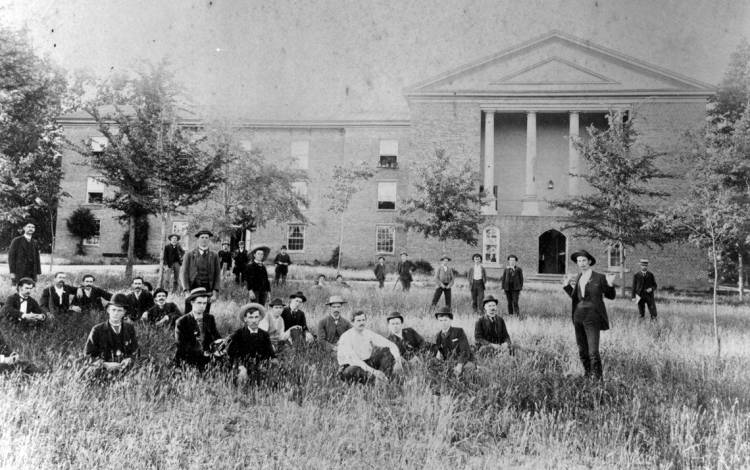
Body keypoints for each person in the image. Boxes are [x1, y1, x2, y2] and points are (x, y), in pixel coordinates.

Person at [563, 249, 616, 381]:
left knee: (593, 351)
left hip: (592, 318)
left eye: (584, 260)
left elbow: (611, 296)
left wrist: (610, 284)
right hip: (578, 317)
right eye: (579, 261)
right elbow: (576, 298)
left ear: (590, 261)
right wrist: (566, 286)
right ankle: (587, 375)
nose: (581, 263)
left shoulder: (600, 277)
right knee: (582, 350)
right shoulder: (578, 277)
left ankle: (598, 380)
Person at [337, 310, 402, 383]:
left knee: (387, 351)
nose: (362, 323)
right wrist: (374, 372)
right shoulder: (346, 337)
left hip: (367, 363)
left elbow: (391, 344)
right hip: (350, 367)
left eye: (363, 320)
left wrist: (398, 361)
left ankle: (385, 377)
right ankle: (376, 380)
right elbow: (355, 361)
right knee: (355, 370)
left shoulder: (367, 333)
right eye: (358, 321)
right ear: (352, 322)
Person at [83, 293, 139, 375]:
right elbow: (88, 355)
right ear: (108, 310)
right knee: (91, 371)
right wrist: (105, 364)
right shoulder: (97, 329)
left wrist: (129, 359)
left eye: (119, 310)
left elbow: (135, 350)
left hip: (124, 366)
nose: (116, 313)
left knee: (148, 364)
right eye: (113, 310)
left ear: (124, 312)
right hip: (105, 367)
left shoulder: (129, 328)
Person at [173, 288, 223, 370]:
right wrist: (202, 353)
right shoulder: (182, 321)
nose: (202, 306)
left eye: (205, 303)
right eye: (199, 303)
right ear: (192, 303)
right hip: (189, 358)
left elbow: (216, 335)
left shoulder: (209, 318)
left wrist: (219, 344)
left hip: (208, 357)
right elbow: (181, 345)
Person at [227, 303, 277, 383]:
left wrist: (268, 364)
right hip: (242, 366)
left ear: (260, 318)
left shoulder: (264, 335)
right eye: (251, 317)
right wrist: (240, 366)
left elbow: (270, 353)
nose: (254, 321)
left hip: (259, 365)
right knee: (242, 375)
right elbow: (232, 354)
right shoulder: (238, 334)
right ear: (245, 319)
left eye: (256, 317)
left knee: (270, 377)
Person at [180, 229, 221, 315]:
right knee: (189, 313)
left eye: (206, 237)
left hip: (207, 289)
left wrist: (214, 292)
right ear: (198, 239)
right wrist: (186, 291)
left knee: (205, 313)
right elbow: (184, 274)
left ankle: (203, 328)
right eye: (202, 237)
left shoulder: (214, 255)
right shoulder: (189, 255)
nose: (204, 240)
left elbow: (217, 275)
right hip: (192, 288)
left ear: (209, 240)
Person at [433, 306, 475, 378]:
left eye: (445, 320)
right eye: (440, 320)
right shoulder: (438, 336)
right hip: (449, 362)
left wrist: (460, 365)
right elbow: (440, 353)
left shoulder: (459, 332)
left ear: (450, 320)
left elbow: (465, 350)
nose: (443, 323)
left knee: (467, 370)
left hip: (463, 361)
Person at [8, 221, 41, 286]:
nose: (31, 228)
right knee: (18, 290)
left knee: (30, 290)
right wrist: (12, 272)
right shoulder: (17, 240)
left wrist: (38, 273)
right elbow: (11, 257)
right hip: (20, 271)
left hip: (32, 272)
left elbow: (37, 259)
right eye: (29, 227)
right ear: (24, 228)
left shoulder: (35, 242)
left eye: (33, 227)